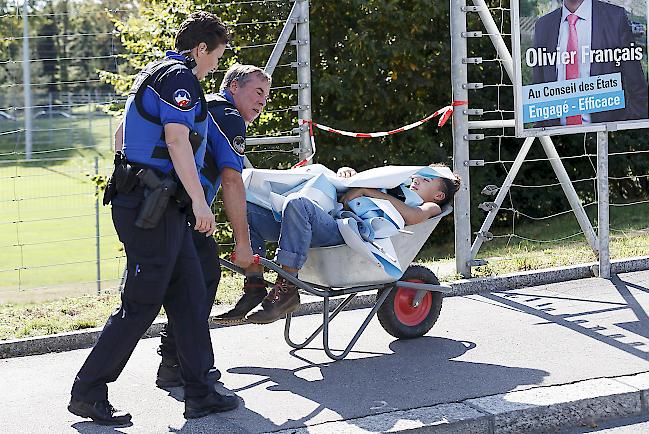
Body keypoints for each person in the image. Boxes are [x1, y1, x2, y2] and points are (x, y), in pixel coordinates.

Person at [68, 12, 236, 426]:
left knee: (190, 296)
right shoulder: (180, 79)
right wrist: (198, 200)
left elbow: (120, 136)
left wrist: (141, 177)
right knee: (141, 304)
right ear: (201, 49)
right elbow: (177, 140)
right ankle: (88, 391)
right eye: (216, 56)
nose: (216, 65)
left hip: (156, 204)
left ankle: (200, 392)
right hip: (153, 209)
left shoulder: (155, 72)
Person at [215, 164, 461, 325]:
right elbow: (360, 183)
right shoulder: (395, 186)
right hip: (324, 219)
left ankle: (287, 288)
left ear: (439, 194)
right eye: (418, 174)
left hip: (346, 237)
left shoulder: (430, 206)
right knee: (247, 210)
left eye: (427, 178)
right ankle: (254, 284)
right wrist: (346, 175)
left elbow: (411, 217)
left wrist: (366, 191)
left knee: (298, 204)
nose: (418, 179)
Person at [155, 64, 271, 388]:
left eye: (268, 96)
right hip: (185, 210)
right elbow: (233, 181)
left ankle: (173, 363)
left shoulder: (204, 106)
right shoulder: (228, 116)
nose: (263, 102)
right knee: (201, 280)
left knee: (193, 281)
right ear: (233, 86)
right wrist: (243, 244)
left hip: (166, 205)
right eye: (258, 92)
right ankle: (182, 366)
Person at [532, 0, 649, 125]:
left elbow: (637, 86)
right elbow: (539, 89)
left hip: (605, 136)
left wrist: (622, 132)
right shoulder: (543, 25)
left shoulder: (615, 17)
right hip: (556, 139)